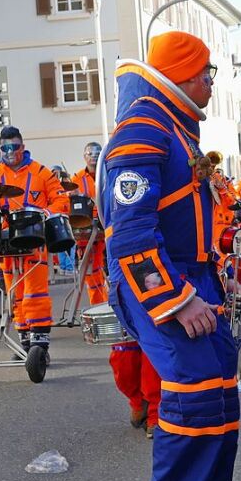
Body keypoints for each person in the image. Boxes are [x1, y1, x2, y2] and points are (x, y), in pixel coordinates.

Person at [102, 31, 239, 481]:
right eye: (206, 71)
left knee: (222, 392)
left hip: (195, 275)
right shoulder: (143, 129)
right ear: (182, 73)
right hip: (159, 281)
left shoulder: (175, 128)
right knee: (191, 393)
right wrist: (177, 301)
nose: (211, 81)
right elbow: (131, 233)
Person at [72, 140, 162, 437]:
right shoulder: (103, 182)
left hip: (153, 270)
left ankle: (155, 414)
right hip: (120, 271)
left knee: (153, 351)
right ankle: (136, 399)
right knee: (123, 359)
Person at [0, 126, 65, 356]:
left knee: (36, 294)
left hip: (35, 242)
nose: (9, 152)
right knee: (14, 294)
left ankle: (40, 346)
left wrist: (45, 213)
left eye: (14, 147)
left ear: (22, 147)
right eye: (4, 147)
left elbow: (60, 200)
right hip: (8, 246)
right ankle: (25, 344)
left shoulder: (42, 173)